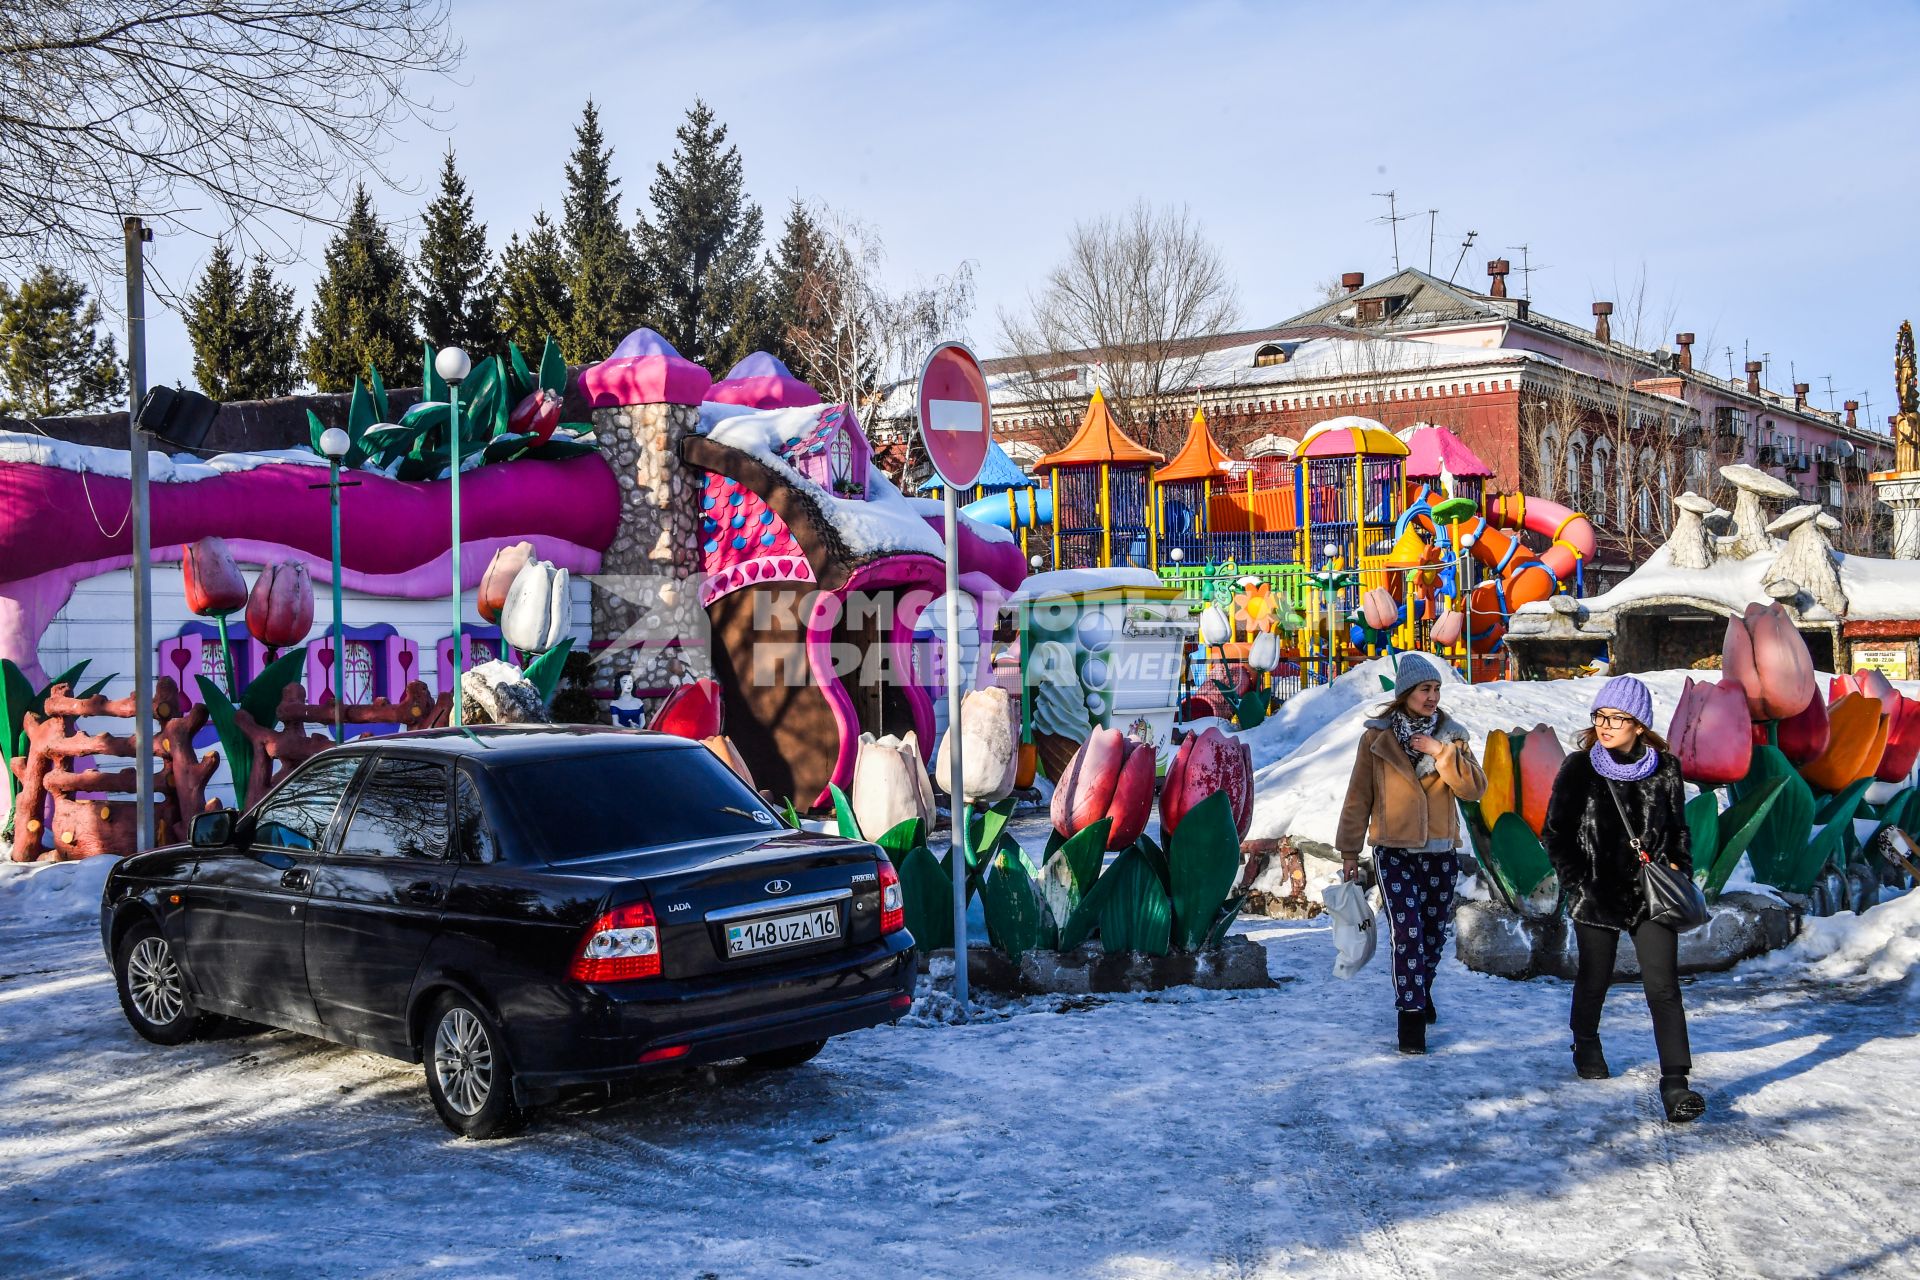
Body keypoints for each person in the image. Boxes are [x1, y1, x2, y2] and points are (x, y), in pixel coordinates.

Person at [1542, 674, 1705, 1123]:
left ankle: (1676, 1083)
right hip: (1596, 893)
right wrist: (1579, 881)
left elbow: (1678, 828)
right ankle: (1586, 1040)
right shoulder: (1580, 767)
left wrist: (1678, 865)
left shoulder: (1665, 769)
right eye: (1600, 716)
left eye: (1616, 718)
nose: (1605, 725)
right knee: (1595, 977)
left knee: (1663, 987)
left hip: (1651, 894)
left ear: (1639, 725)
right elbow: (1555, 833)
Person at [1334, 653, 1487, 1054]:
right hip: (1393, 850)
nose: (1433, 696)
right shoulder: (1376, 739)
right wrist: (1350, 851)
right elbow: (1357, 797)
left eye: (1436, 689)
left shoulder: (1452, 736)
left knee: (1434, 935)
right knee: (1409, 934)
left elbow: (1474, 789)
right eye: (1425, 689)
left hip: (1439, 851)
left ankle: (1423, 987)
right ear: (1406, 693)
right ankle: (1411, 1017)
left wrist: (1441, 752)